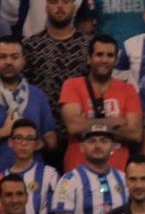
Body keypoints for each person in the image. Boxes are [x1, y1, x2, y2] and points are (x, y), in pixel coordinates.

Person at [0, 36, 58, 171]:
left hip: (34, 177)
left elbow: (51, 139)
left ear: (23, 60)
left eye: (14, 57)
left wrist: (38, 143)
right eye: (2, 57)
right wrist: (3, 132)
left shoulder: (37, 95)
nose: (8, 62)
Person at [59, 35, 143, 172]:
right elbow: (73, 127)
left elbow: (135, 134)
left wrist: (88, 125)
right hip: (78, 170)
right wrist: (115, 121)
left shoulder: (128, 90)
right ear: (89, 58)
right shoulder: (72, 85)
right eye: (99, 54)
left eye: (110, 55)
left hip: (117, 172)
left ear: (116, 60)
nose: (104, 60)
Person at [22, 0, 91, 160]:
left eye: (65, 2)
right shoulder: (31, 45)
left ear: (74, 7)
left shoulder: (88, 45)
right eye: (54, 2)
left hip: (78, 134)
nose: (60, 7)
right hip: (40, 133)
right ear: (46, 7)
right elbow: (24, 89)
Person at [0, 118, 59, 214]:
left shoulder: (50, 174)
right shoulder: (0, 177)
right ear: (10, 142)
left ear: (37, 144)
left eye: (29, 139)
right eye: (19, 138)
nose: (23, 143)